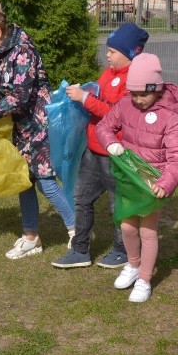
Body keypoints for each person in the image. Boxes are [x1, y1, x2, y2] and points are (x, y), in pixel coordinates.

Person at [0, 0, 75, 259]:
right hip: (23, 126)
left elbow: (20, 95)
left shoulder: (23, 50)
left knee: (46, 182)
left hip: (40, 123)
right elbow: (3, 87)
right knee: (23, 181)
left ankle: (77, 231)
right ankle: (31, 238)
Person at [52, 22, 149, 269]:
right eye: (107, 50)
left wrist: (85, 99)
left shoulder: (133, 82)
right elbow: (98, 96)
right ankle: (80, 250)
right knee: (80, 198)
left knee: (119, 204)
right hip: (92, 150)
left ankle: (122, 250)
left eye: (113, 51)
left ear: (130, 55)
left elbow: (117, 114)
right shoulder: (108, 73)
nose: (107, 55)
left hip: (114, 153)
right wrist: (83, 93)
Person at [95, 53, 178, 302]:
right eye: (133, 93)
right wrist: (111, 143)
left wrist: (165, 183)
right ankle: (133, 265)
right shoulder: (126, 104)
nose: (138, 100)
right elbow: (104, 126)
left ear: (156, 89)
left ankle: (145, 279)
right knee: (126, 225)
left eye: (143, 94)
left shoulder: (169, 117)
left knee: (147, 231)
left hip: (151, 183)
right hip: (129, 178)